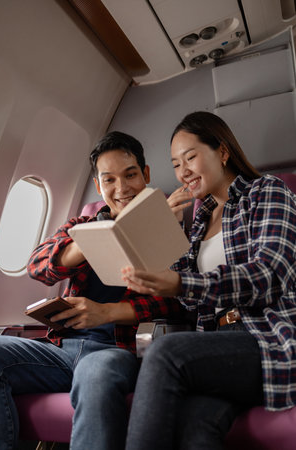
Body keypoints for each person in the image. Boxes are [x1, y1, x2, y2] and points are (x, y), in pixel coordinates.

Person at [0, 131, 191, 450]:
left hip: (116, 351)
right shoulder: (80, 224)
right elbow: (38, 266)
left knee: (95, 373)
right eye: (109, 180)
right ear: (99, 186)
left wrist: (109, 312)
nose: (121, 188)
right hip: (61, 350)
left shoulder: (172, 224)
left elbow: (182, 304)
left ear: (146, 175)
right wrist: (91, 239)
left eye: (130, 175)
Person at [122, 111, 296, 450]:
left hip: (265, 337)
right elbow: (188, 299)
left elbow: (268, 276)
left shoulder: (267, 192)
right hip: (217, 343)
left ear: (223, 152)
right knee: (195, 427)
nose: (182, 171)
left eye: (191, 157)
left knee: (165, 353)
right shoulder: (199, 220)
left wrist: (180, 284)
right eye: (175, 164)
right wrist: (166, 231)